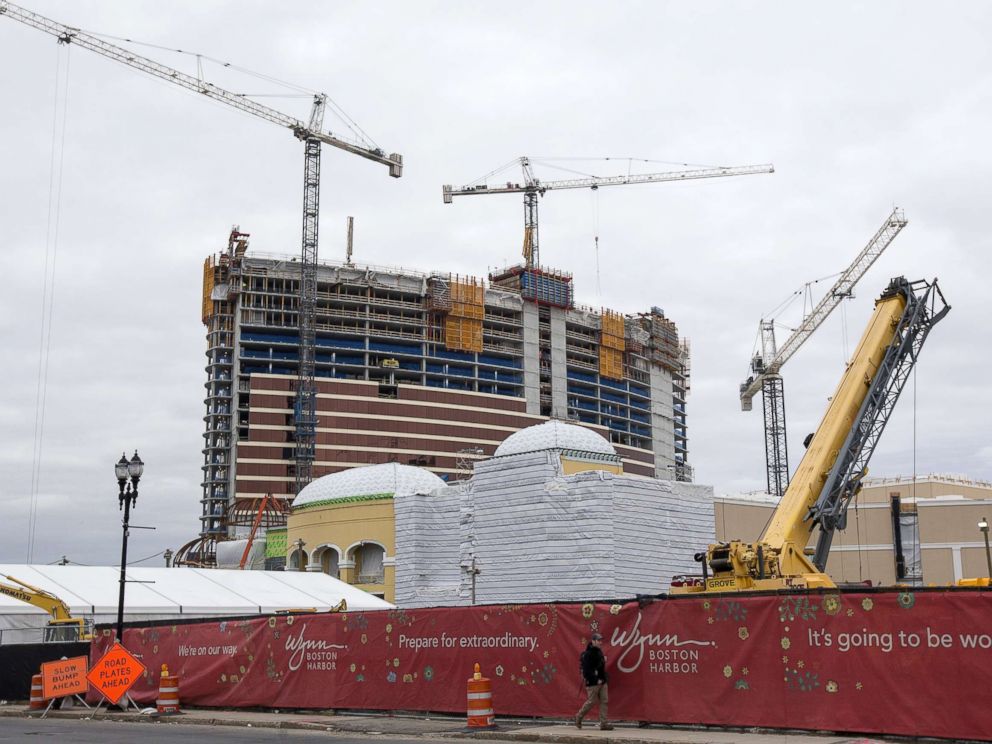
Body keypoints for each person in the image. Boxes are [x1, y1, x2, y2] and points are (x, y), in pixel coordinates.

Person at [575, 632, 613, 730]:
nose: (600, 642)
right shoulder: (588, 654)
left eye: (601, 640)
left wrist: (603, 678)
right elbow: (587, 671)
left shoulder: (599, 651)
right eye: (598, 640)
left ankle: (603, 723)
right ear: (593, 641)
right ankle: (579, 716)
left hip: (602, 681)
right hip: (593, 683)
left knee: (604, 701)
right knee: (591, 701)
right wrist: (596, 680)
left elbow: (600, 667)